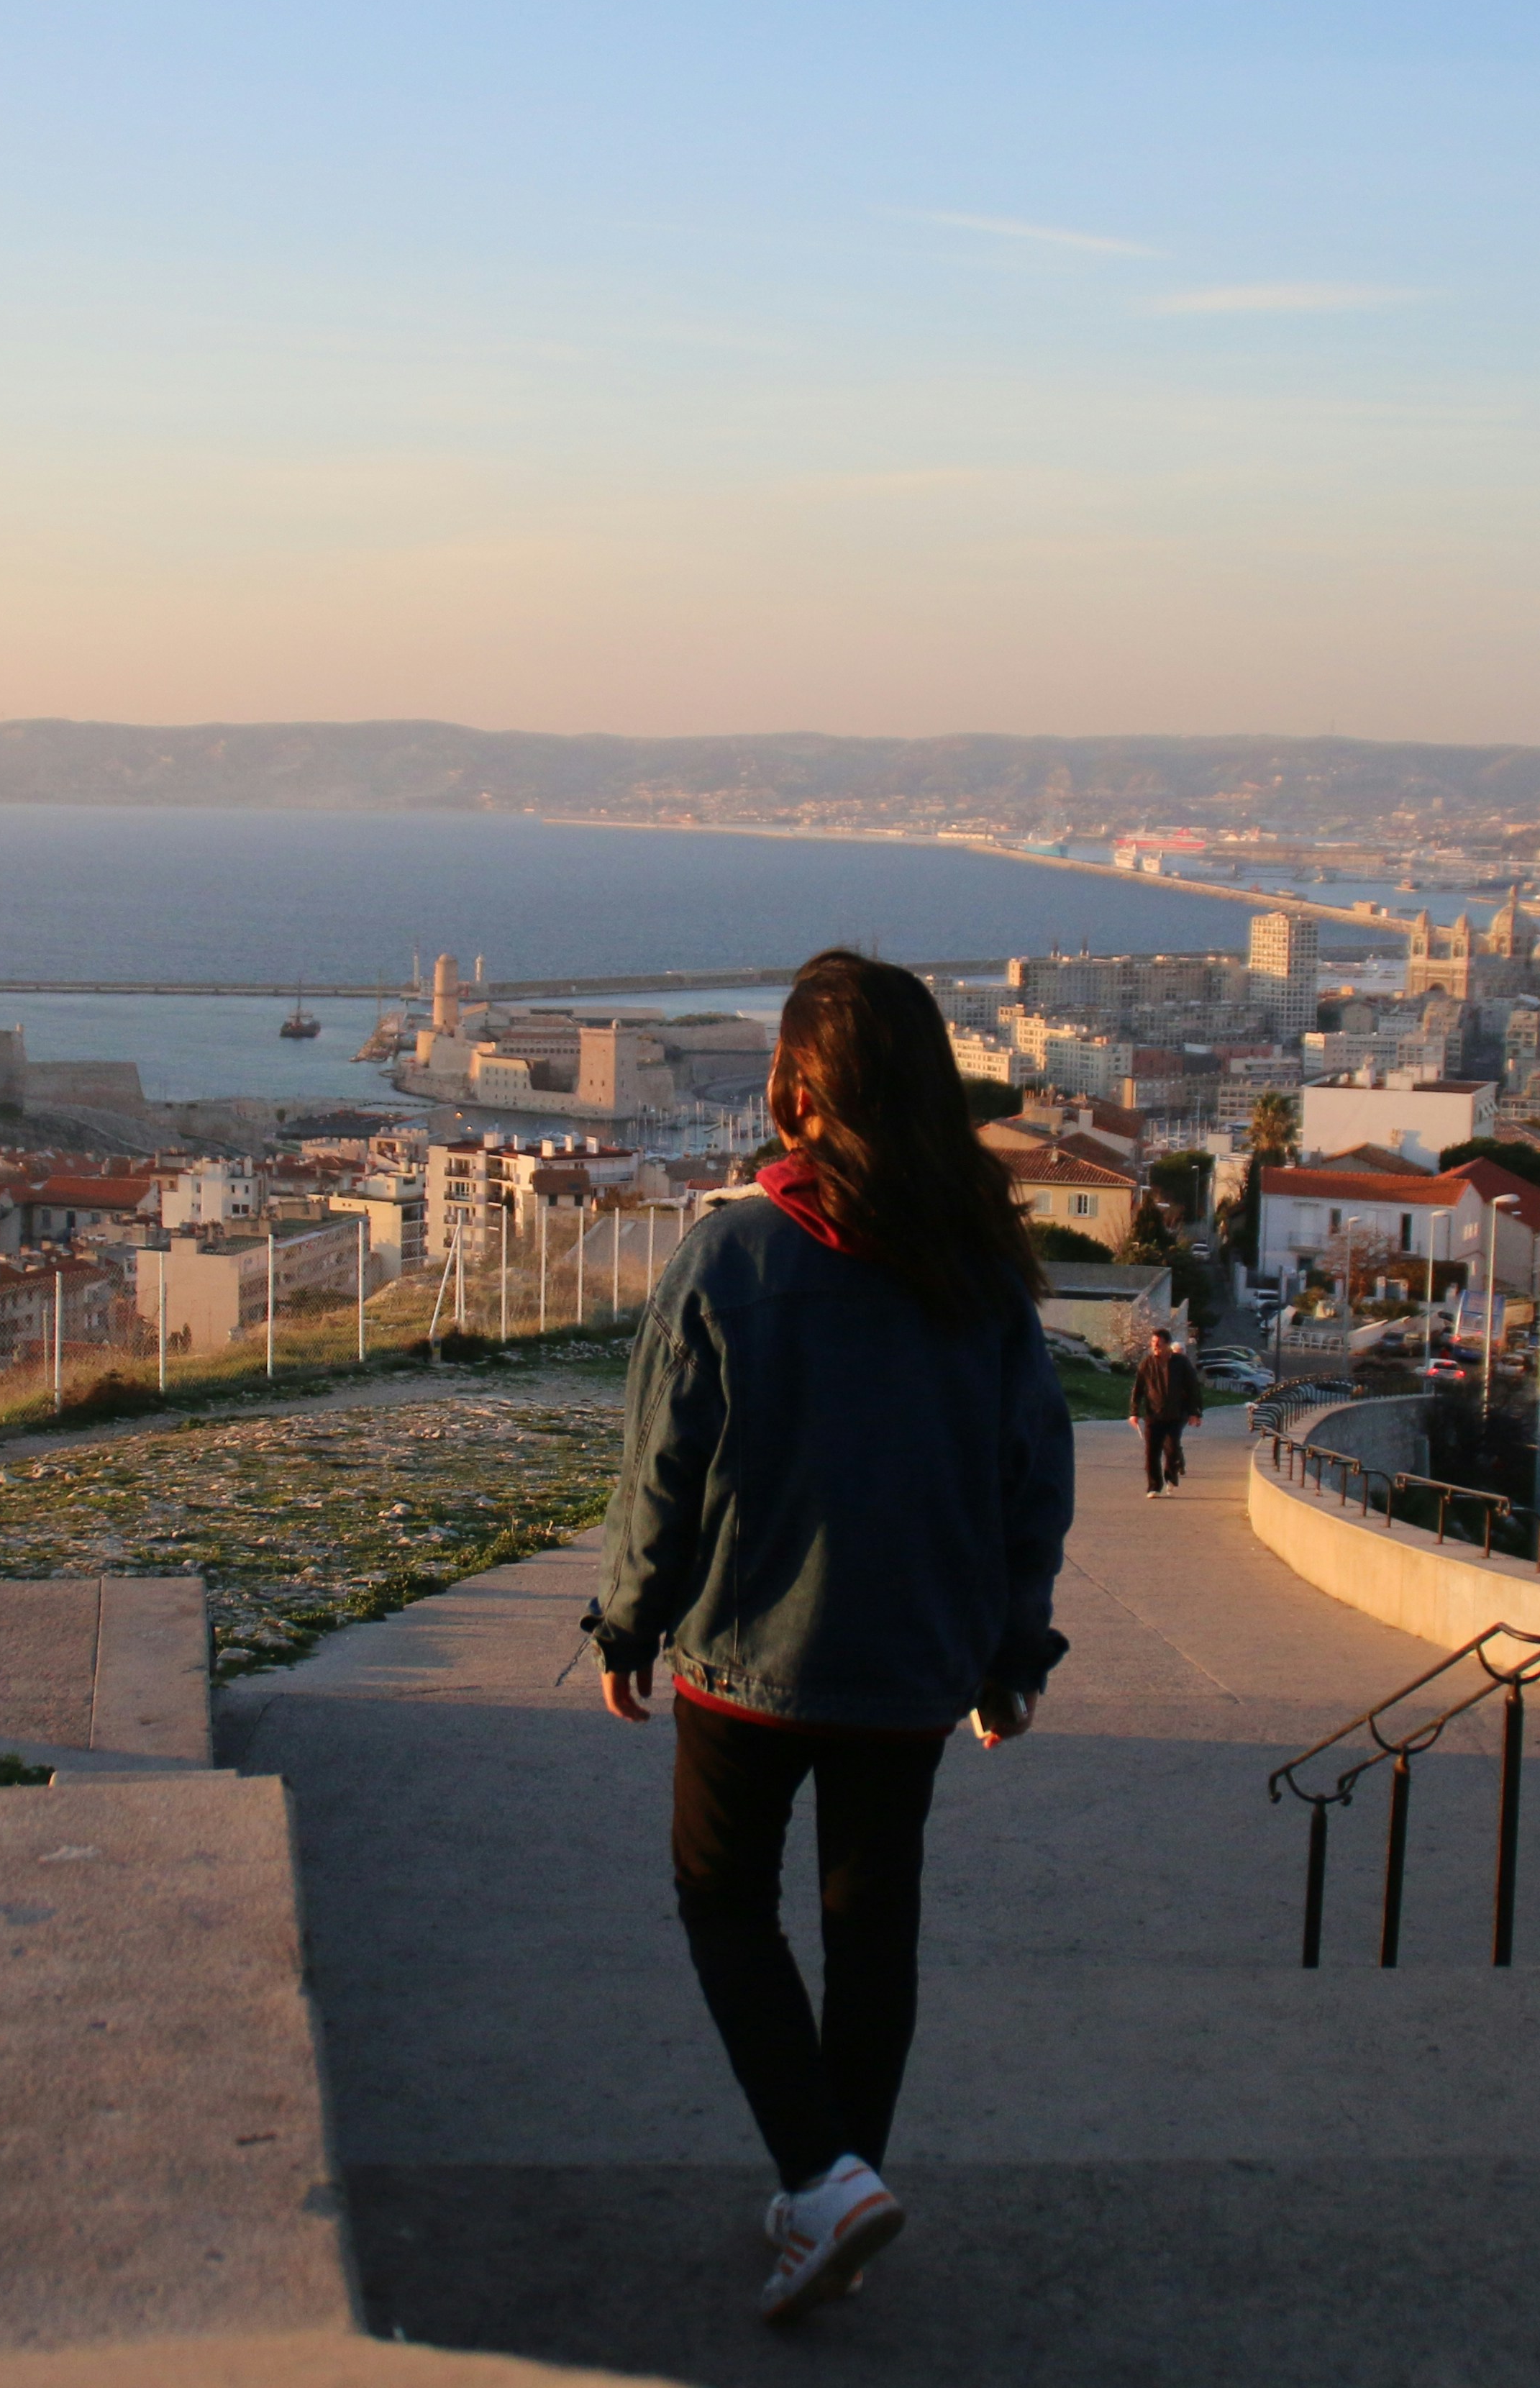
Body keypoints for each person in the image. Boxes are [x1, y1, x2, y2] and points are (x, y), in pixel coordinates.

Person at [585, 948, 1075, 2325]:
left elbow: (661, 1470)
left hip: (748, 1662)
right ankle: (840, 2184)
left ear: (799, 1096)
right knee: (873, 1929)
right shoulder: (983, 1277)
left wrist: (627, 1621)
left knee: (723, 1901)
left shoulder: (731, 1253)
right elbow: (1034, 1479)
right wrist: (1008, 1652)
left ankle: (819, 2175)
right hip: (913, 1666)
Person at [1130, 1324, 1201, 1496]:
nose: (1155, 1346)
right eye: (1153, 1343)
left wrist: (1195, 1412)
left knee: (1172, 1450)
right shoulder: (1147, 1363)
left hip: (1175, 1415)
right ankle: (1154, 1487)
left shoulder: (1181, 1363)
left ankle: (1171, 1477)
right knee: (1151, 1453)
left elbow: (1193, 1388)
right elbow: (1138, 1388)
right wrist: (1134, 1412)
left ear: (1168, 1344)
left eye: (1159, 1343)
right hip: (1153, 1415)